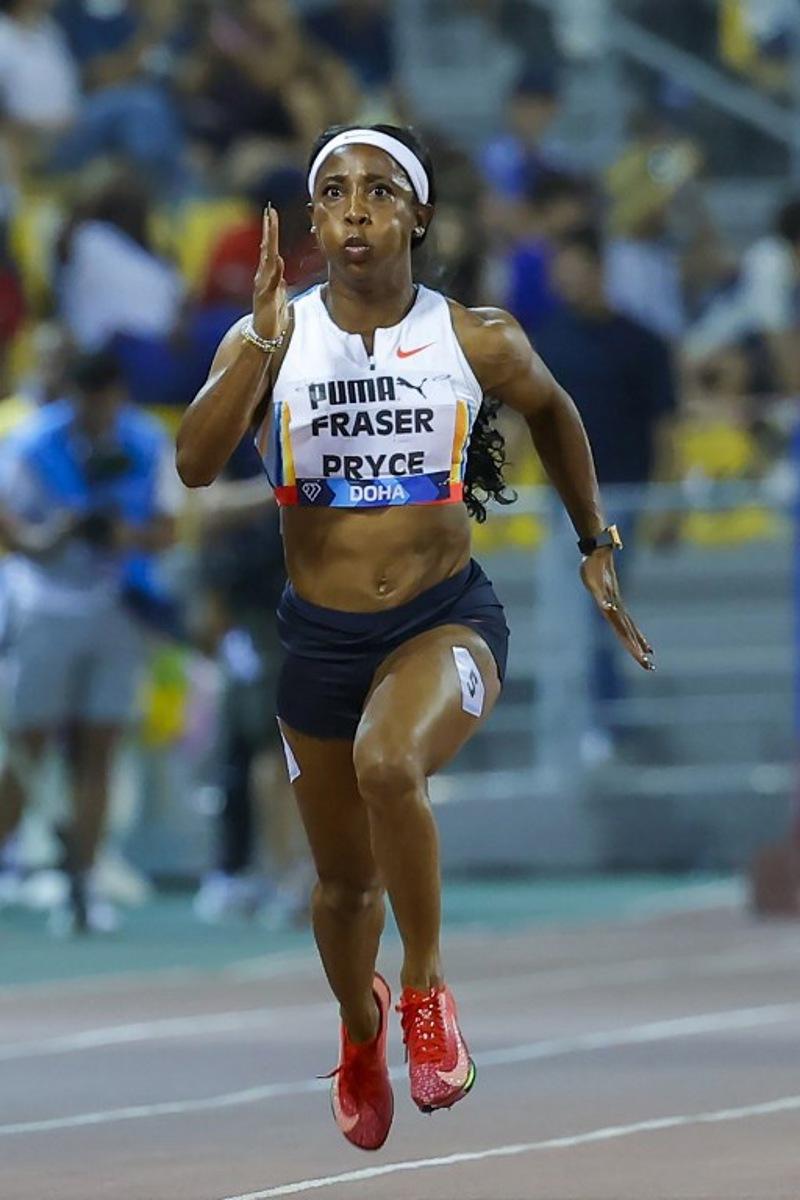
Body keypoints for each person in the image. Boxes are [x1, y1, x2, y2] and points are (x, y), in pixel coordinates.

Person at [176, 123, 653, 1152]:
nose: (355, 209)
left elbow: (555, 412)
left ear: (418, 217)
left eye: (380, 191)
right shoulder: (272, 335)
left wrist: (592, 540)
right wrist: (255, 343)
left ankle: (428, 994)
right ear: (311, 221)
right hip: (319, 642)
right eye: (335, 193)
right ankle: (360, 1031)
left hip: (443, 620)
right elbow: (193, 464)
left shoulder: (475, 337)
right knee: (344, 889)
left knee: (388, 763)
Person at [0, 348, 177, 932]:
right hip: (44, 602)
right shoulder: (32, 443)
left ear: (119, 396)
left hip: (116, 602)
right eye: (86, 401)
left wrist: (123, 534)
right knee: (28, 746)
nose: (97, 412)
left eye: (106, 401)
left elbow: (168, 529)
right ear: (70, 397)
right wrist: (52, 535)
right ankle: (14, 858)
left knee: (100, 746)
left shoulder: (148, 442)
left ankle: (84, 877)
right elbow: (10, 524)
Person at [534, 226, 676, 759]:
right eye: (560, 273)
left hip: (621, 496)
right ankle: (582, 721)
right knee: (569, 613)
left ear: (598, 270)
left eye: (575, 270)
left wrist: (662, 503)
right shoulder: (547, 340)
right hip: (561, 500)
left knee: (601, 605)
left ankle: (604, 719)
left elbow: (665, 429)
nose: (567, 282)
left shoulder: (641, 341)